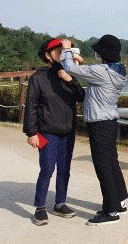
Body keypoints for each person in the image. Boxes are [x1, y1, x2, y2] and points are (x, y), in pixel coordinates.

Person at [60, 35, 128, 226]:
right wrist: (84, 64)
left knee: (103, 166)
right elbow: (96, 72)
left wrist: (67, 49)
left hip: (99, 123)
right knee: (111, 163)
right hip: (110, 121)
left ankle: (111, 212)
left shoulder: (101, 71)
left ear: (102, 53)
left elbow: (69, 68)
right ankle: (119, 201)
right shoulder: (119, 70)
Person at [24, 38, 85, 226]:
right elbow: (31, 106)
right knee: (47, 169)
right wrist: (31, 133)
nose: (62, 53)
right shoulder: (38, 78)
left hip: (68, 130)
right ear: (47, 55)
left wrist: (71, 80)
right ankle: (40, 207)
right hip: (47, 131)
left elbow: (81, 96)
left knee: (64, 169)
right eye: (57, 51)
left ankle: (60, 203)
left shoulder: (68, 73)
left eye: (64, 50)